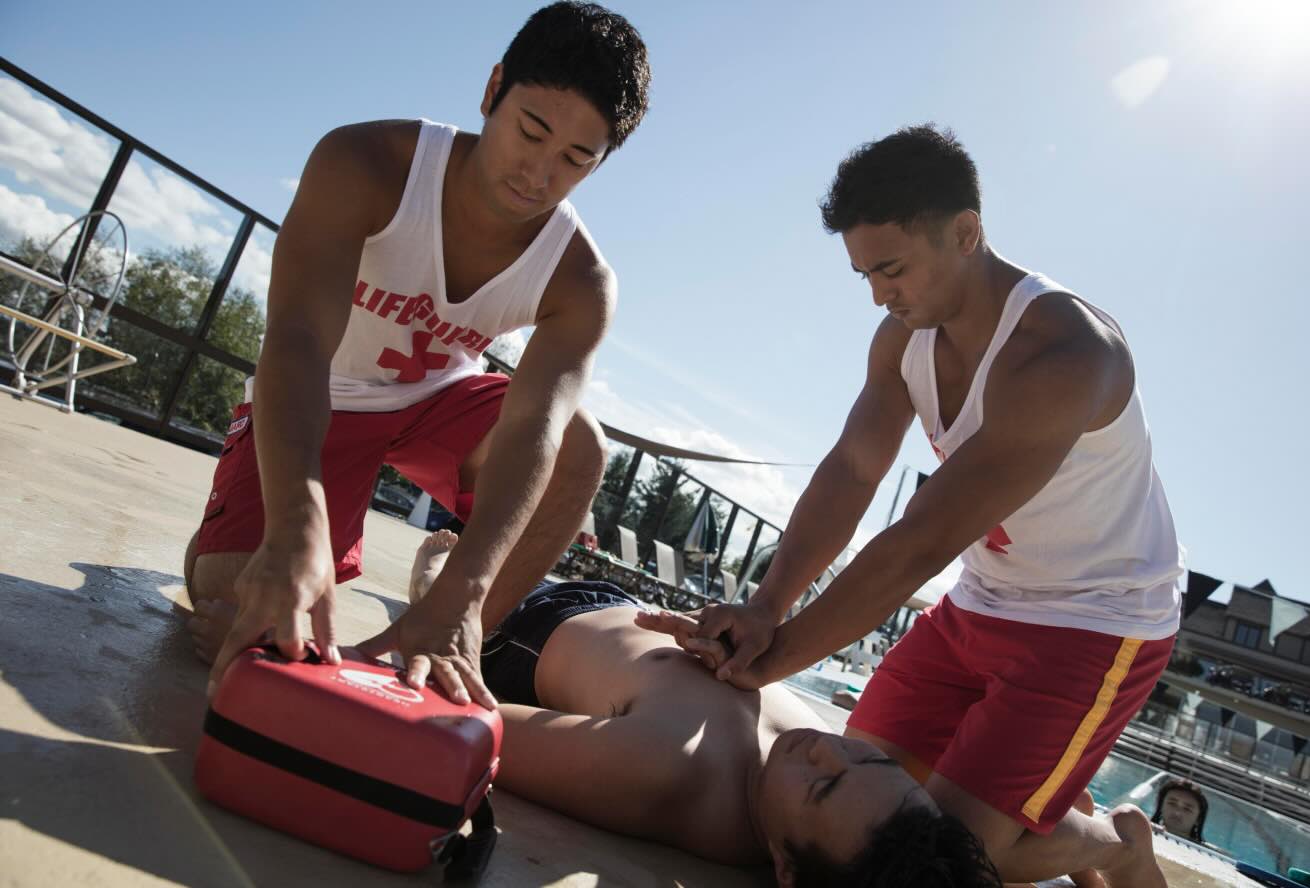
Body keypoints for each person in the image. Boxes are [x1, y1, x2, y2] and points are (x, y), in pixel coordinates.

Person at [638, 125, 1182, 885]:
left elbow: (920, 542)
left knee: (951, 853)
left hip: (1095, 620)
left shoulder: (1066, 353)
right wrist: (766, 607)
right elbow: (853, 469)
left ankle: (1117, 845)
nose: (878, 295)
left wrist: (770, 662)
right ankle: (1038, 794)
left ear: (965, 234)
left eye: (891, 269)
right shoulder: (902, 340)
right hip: (982, 601)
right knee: (864, 816)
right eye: (864, 274)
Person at [182, 2, 651, 710]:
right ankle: (260, 547)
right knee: (236, 609)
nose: (538, 173)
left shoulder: (581, 280)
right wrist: (296, 523)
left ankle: (448, 624)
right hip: (325, 392)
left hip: (436, 403)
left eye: (575, 159)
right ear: (492, 90)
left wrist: (468, 592)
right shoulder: (365, 162)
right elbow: (298, 338)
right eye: (531, 132)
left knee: (580, 446)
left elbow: (536, 428)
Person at [408, 531, 1164, 887]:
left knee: (441, 581)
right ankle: (1110, 841)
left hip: (529, 629)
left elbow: (465, 723)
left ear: (785, 869)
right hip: (642, 621)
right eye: (868, 763)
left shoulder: (661, 774)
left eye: (824, 785)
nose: (826, 747)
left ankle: (433, 572)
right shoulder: (853, 813)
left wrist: (443, 600)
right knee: (970, 833)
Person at [1150, 778, 1209, 844]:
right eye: (1172, 803)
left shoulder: (1206, 850)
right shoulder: (1143, 831)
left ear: (1198, 819)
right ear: (1161, 806)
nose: (1177, 813)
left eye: (1187, 809)